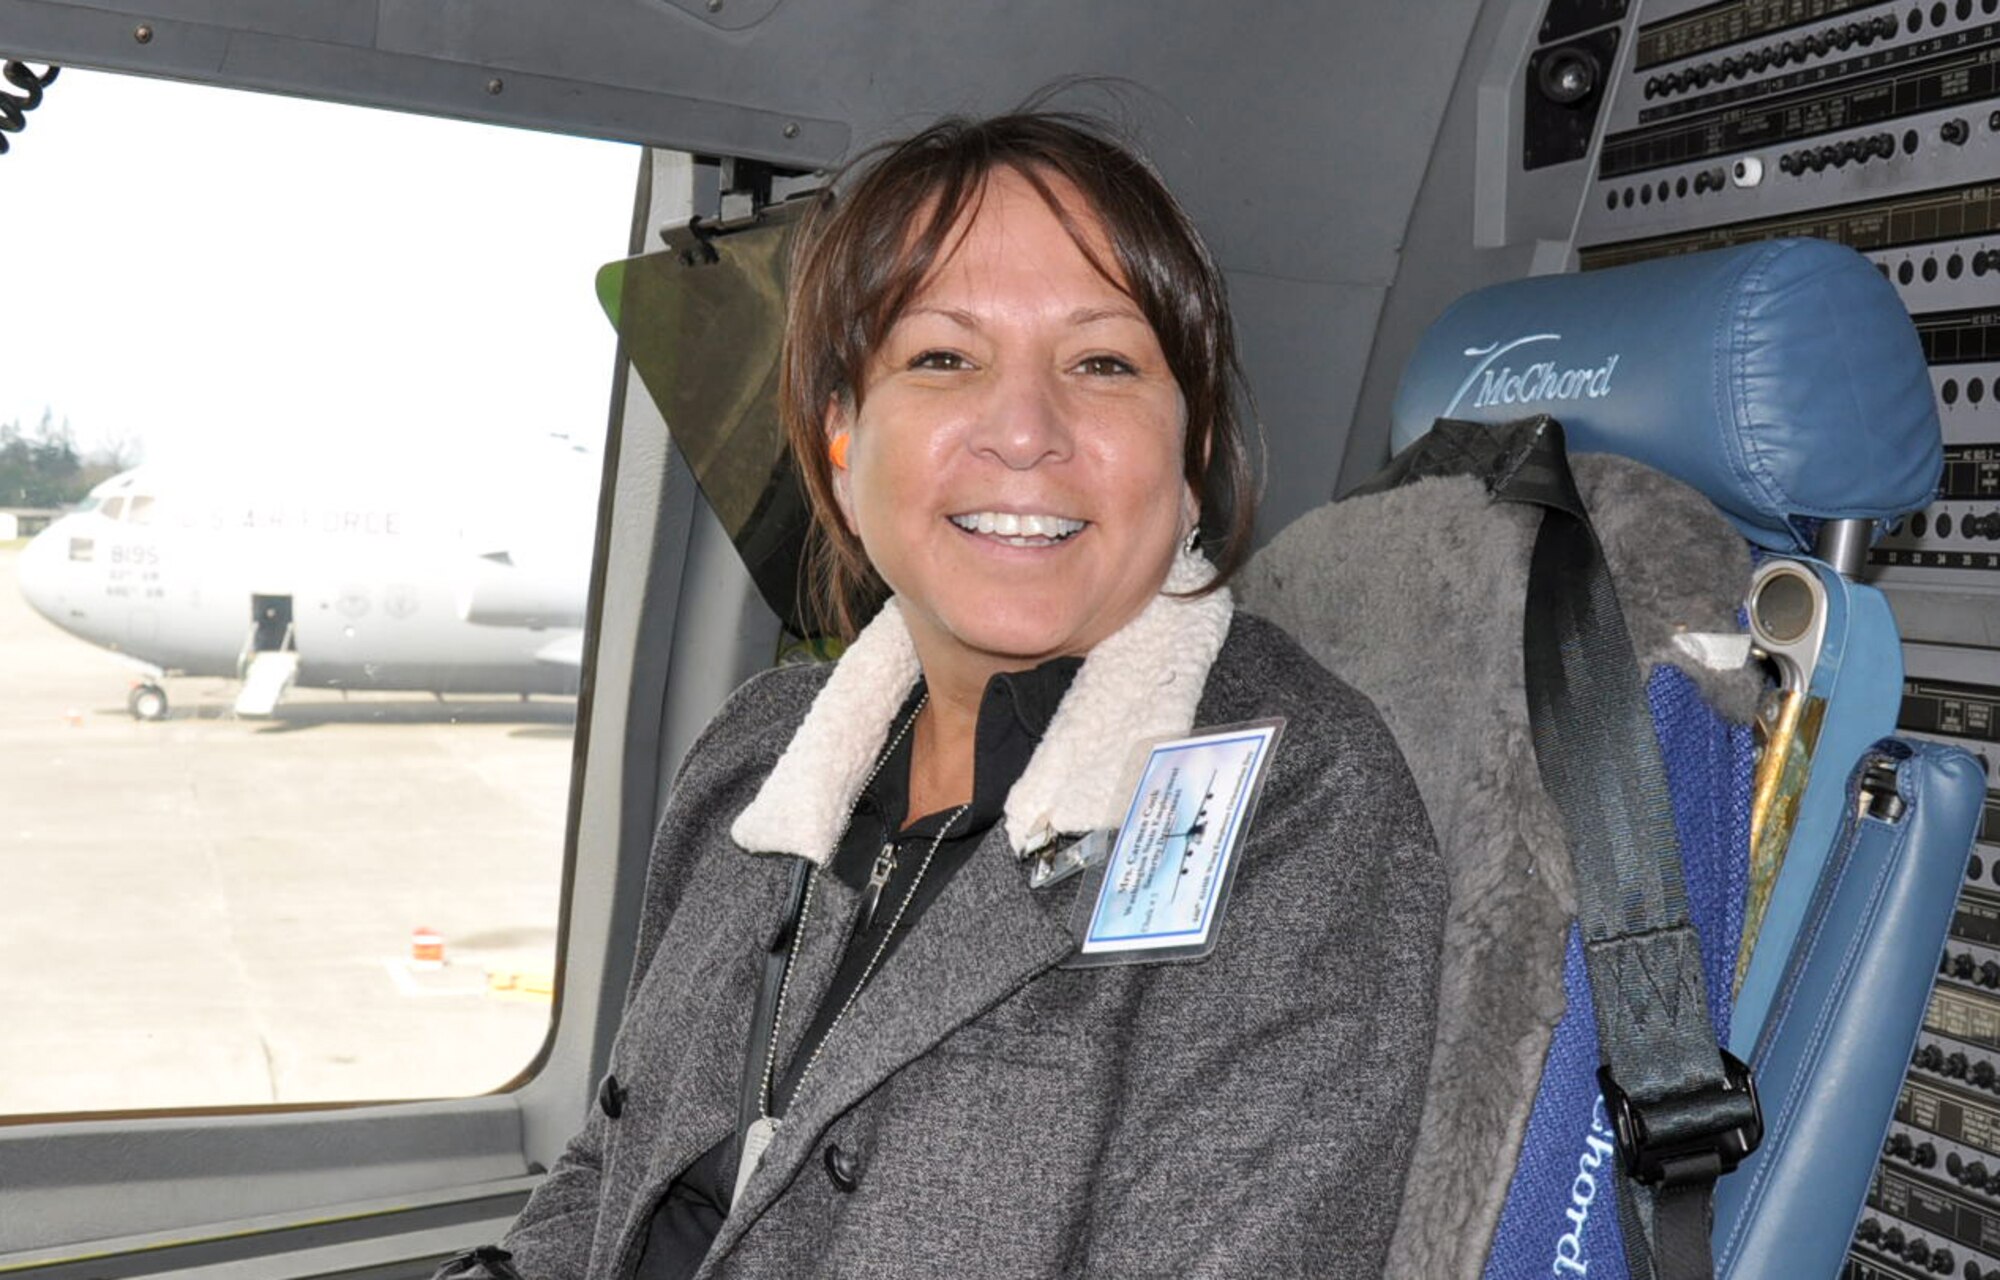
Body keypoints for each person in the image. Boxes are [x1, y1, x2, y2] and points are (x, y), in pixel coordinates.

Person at [445, 110, 1443, 1280]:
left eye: (1102, 363)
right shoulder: (756, 755)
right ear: (840, 444)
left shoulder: (1297, 802)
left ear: (1190, 458)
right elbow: (612, 1160)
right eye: (942, 359)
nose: (1023, 431)